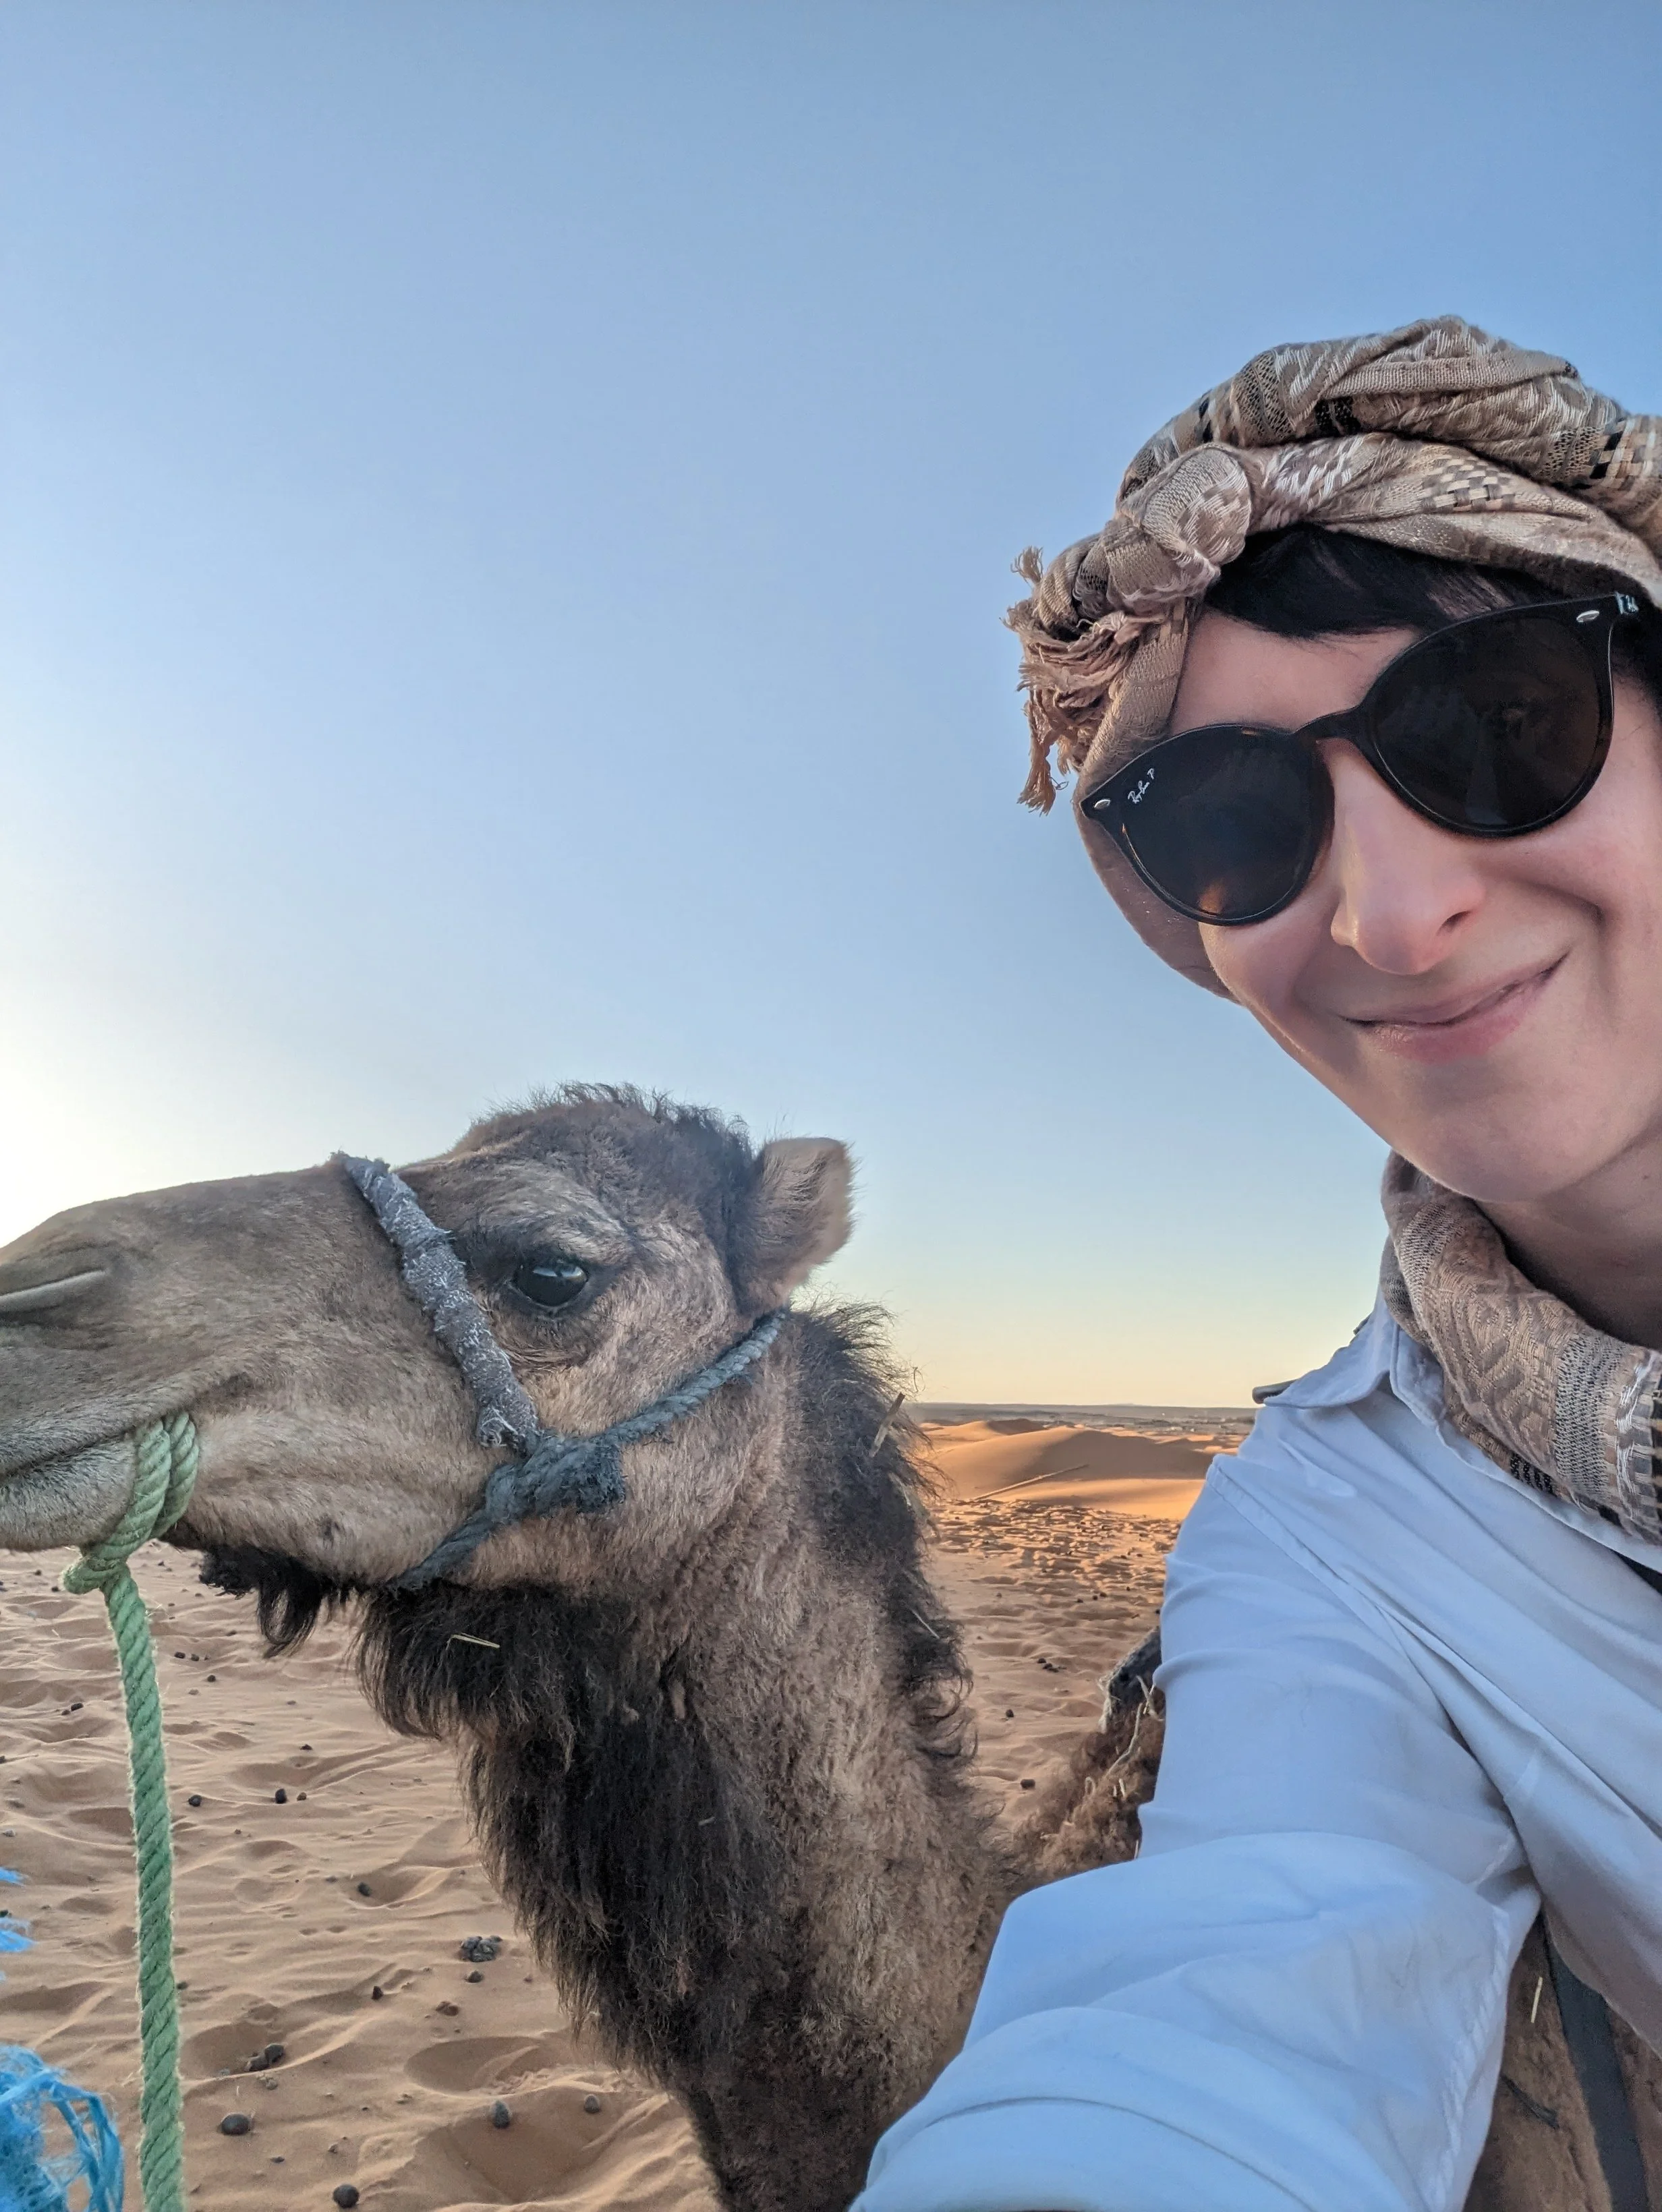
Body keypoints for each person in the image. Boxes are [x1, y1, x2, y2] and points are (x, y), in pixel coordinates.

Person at [853, 318, 1662, 2212]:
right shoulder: (1337, 1537)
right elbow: (1233, 2027)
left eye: (1496, 724)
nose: (1389, 912)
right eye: (1231, 824)